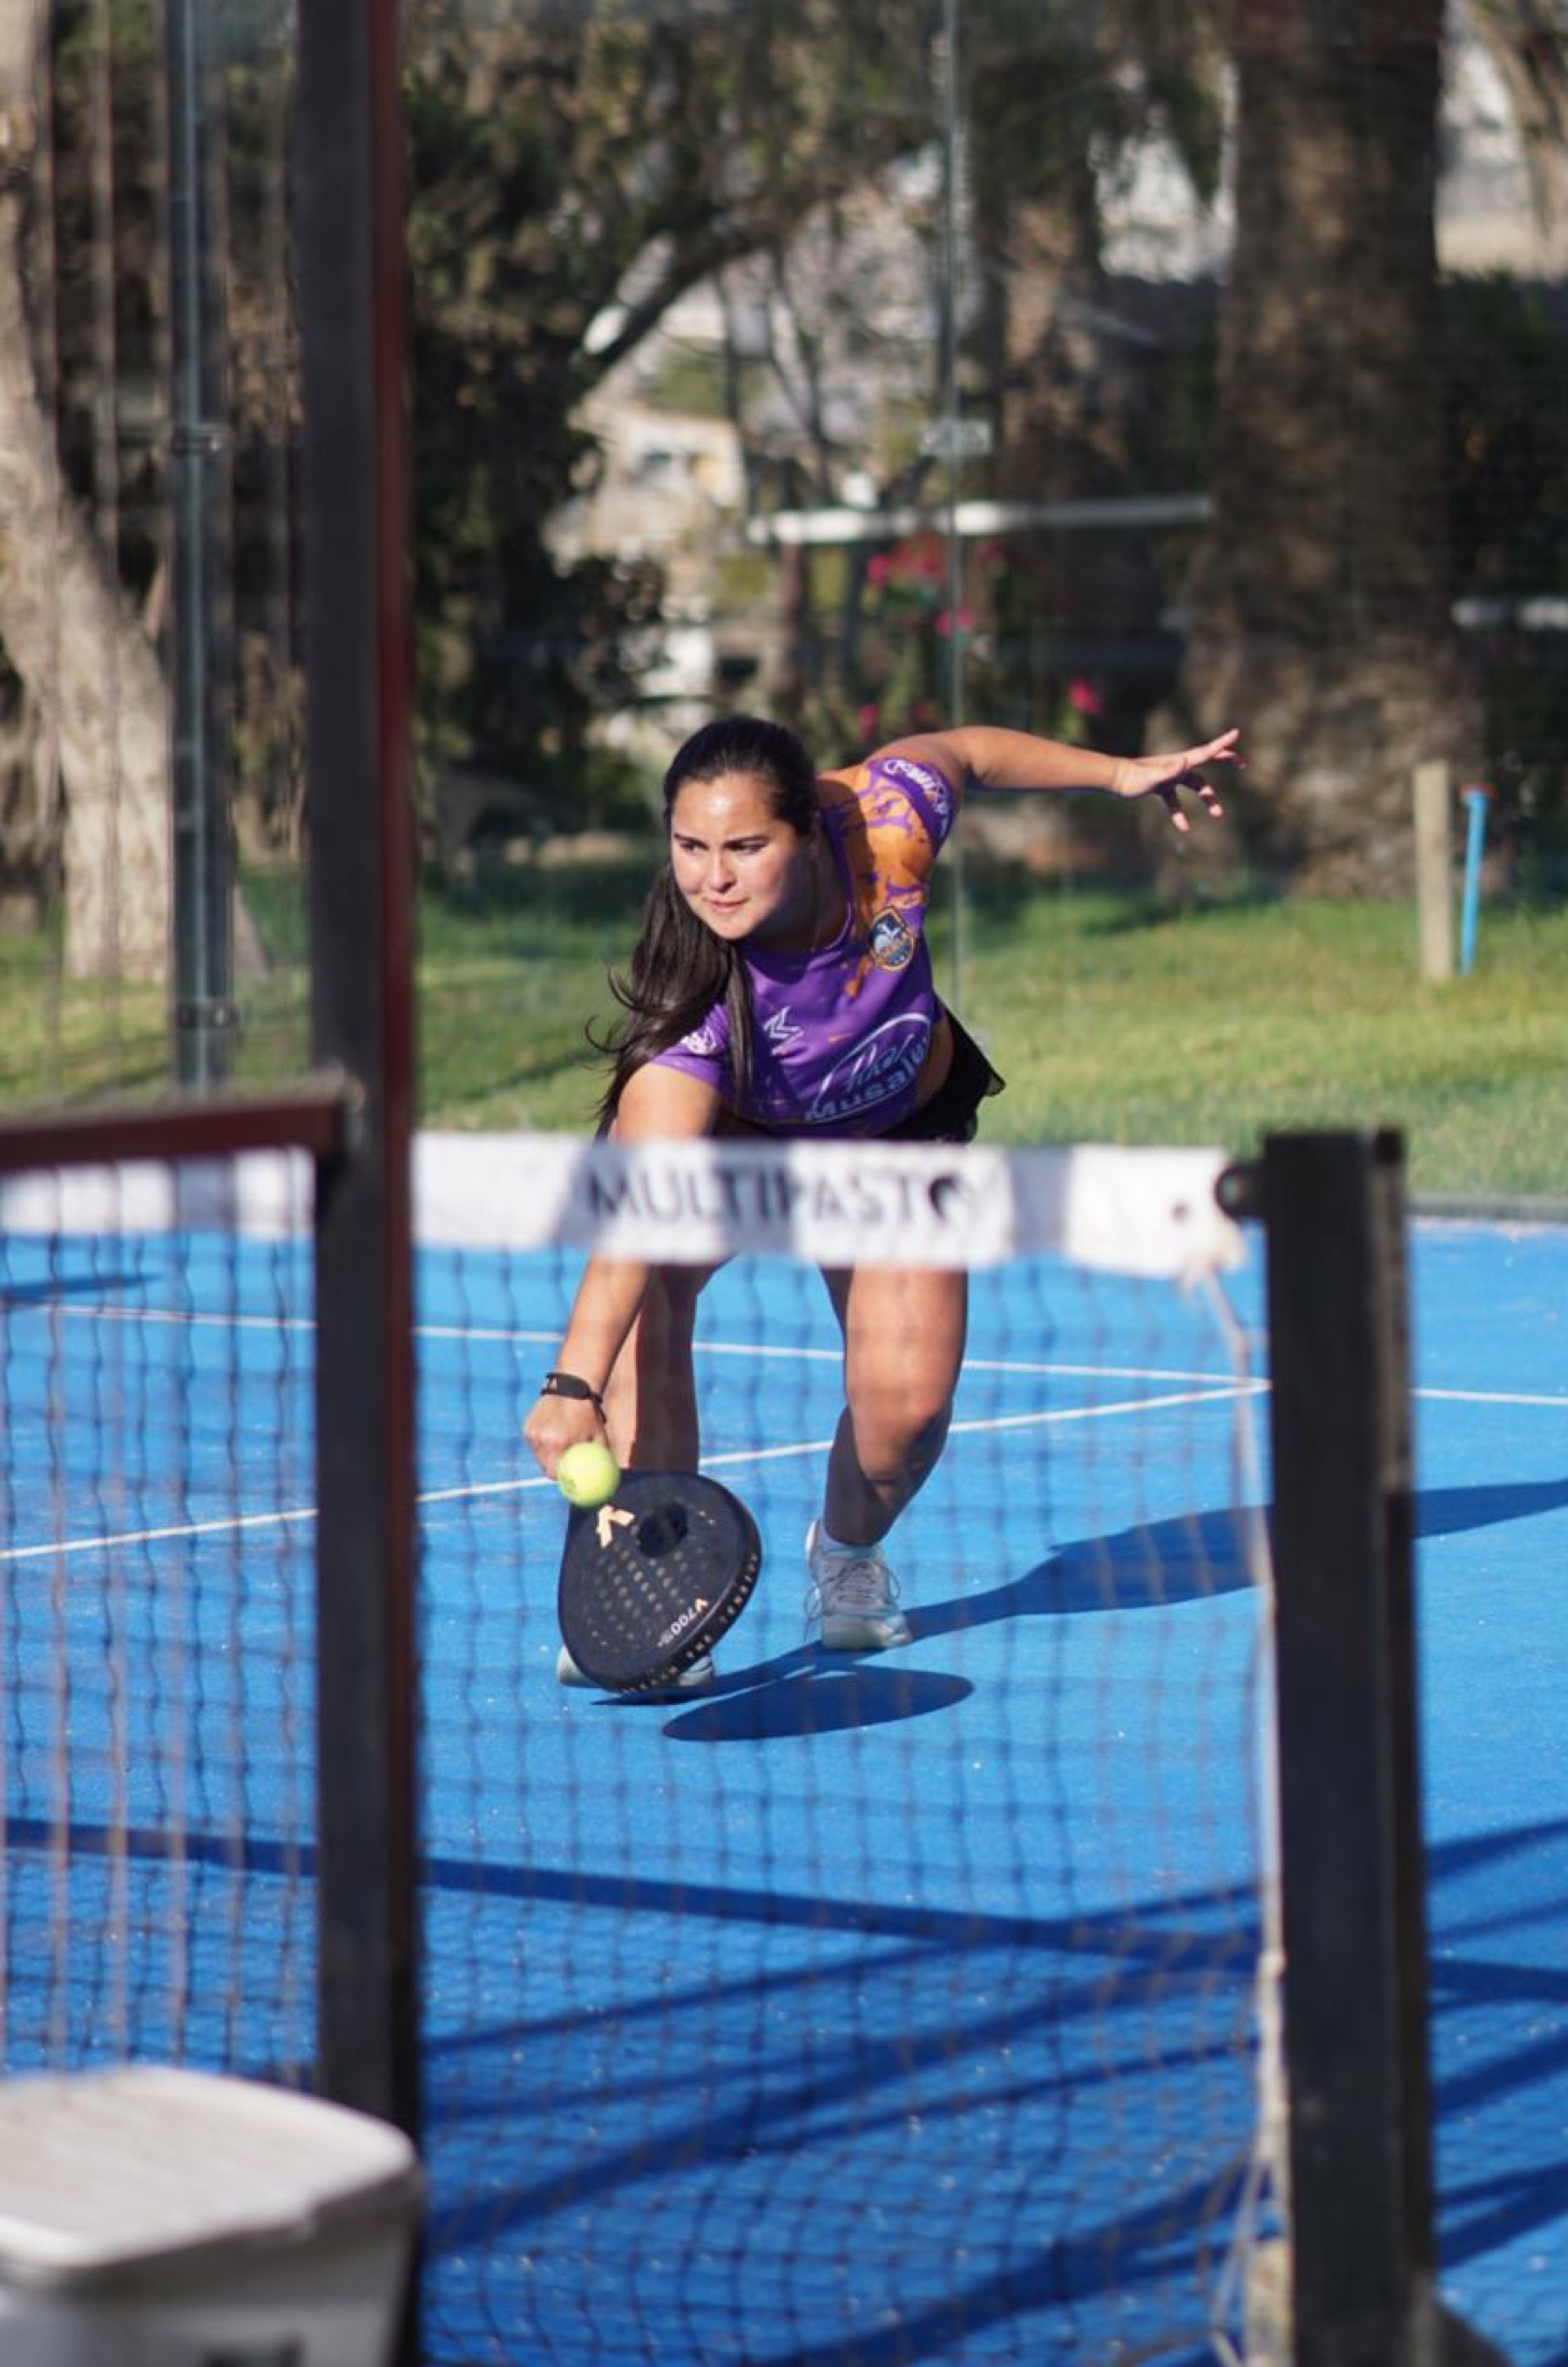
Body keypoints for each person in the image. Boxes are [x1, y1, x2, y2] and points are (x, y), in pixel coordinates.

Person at [525, 713, 1238, 1687]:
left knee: (906, 1418)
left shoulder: (888, 820)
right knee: (653, 1291)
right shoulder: (692, 1008)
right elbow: (638, 1213)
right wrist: (572, 1386)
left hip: (892, 1137)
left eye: (745, 847)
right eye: (690, 847)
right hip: (740, 1137)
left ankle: (847, 1551)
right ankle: (655, 1581)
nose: (714, 878)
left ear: (811, 827)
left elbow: (970, 752)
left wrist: (1120, 775)